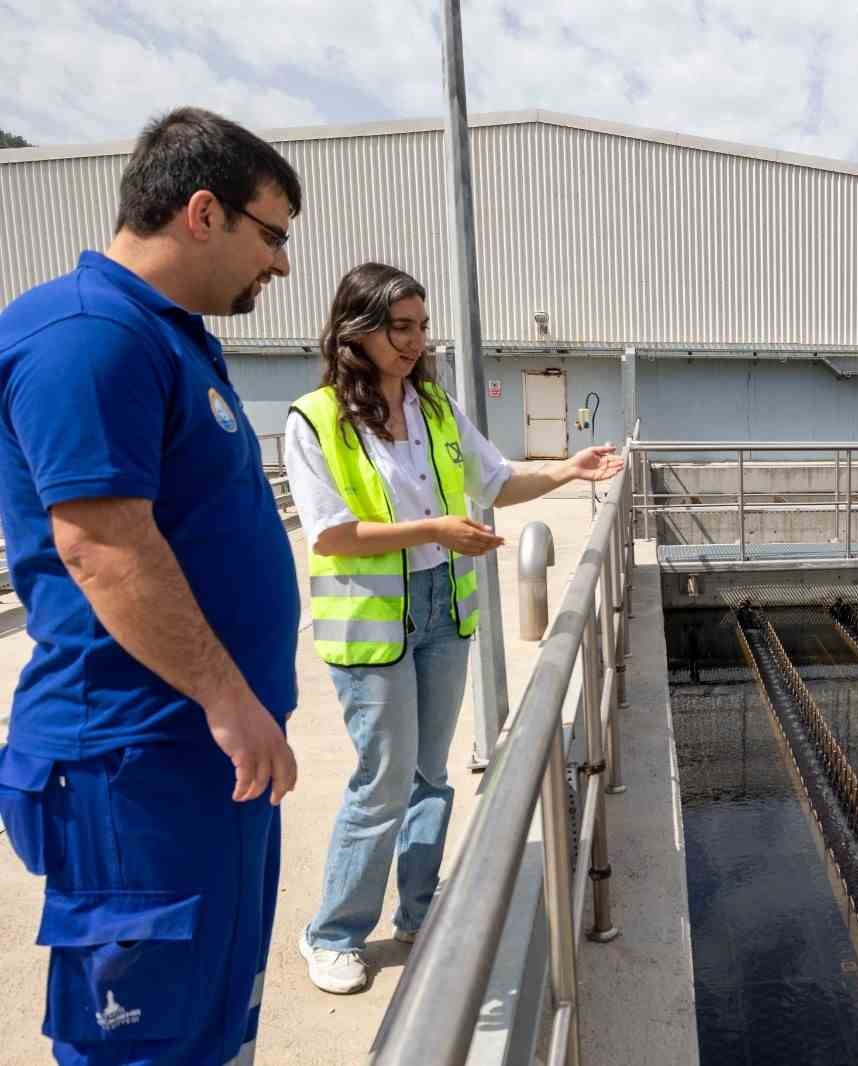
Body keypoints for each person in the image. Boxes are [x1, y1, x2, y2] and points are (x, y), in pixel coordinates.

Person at [0, 108, 302, 1065]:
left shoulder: (167, 336)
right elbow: (103, 546)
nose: (282, 264)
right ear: (204, 213)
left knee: (211, 1020)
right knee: (145, 1042)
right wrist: (224, 695)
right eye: (275, 233)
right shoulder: (89, 336)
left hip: (206, 755)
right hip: (137, 762)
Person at [285, 262, 623, 994]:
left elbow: (496, 480)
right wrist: (434, 527)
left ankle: (417, 910)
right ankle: (335, 933)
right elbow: (332, 535)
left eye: (420, 326)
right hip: (372, 625)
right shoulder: (315, 419)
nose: (414, 341)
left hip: (442, 610)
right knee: (382, 781)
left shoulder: (433, 406)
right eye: (398, 327)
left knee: (428, 778)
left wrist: (569, 469)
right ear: (357, 331)